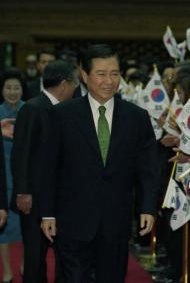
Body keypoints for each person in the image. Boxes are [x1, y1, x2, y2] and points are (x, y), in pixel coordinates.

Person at [39, 44, 160, 283]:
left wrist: (147, 207)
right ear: (84, 75)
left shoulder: (136, 117)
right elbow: (48, 167)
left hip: (116, 220)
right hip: (72, 218)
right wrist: (47, 213)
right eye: (101, 74)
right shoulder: (61, 115)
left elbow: (148, 168)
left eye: (114, 74)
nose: (109, 81)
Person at [12, 60, 79, 283]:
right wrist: (23, 191)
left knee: (64, 254)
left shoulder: (69, 110)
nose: (76, 88)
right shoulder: (33, 107)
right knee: (35, 255)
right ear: (63, 84)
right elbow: (21, 153)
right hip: (34, 197)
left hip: (62, 196)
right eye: (75, 82)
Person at [0, 68, 25, 283]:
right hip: (2, 175)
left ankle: (26, 264)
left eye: (16, 87)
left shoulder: (30, 110)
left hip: (25, 174)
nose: (12, 92)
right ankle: (7, 271)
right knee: (3, 226)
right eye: (8, 87)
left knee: (28, 224)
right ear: (2, 90)